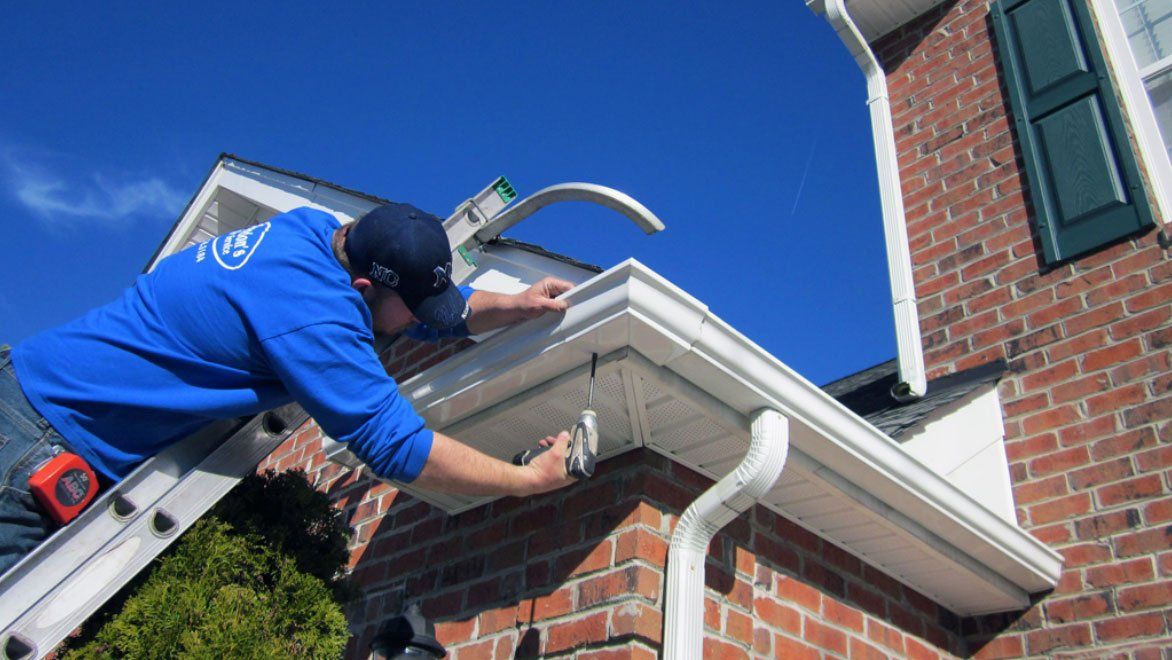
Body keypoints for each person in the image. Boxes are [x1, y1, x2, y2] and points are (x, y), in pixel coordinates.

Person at [0, 202, 577, 575]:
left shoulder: (313, 229)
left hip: (31, 395)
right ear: (361, 287)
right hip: (40, 443)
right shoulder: (312, 313)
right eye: (414, 308)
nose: (419, 322)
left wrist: (514, 304)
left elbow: (405, 313)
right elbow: (396, 445)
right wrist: (526, 480)